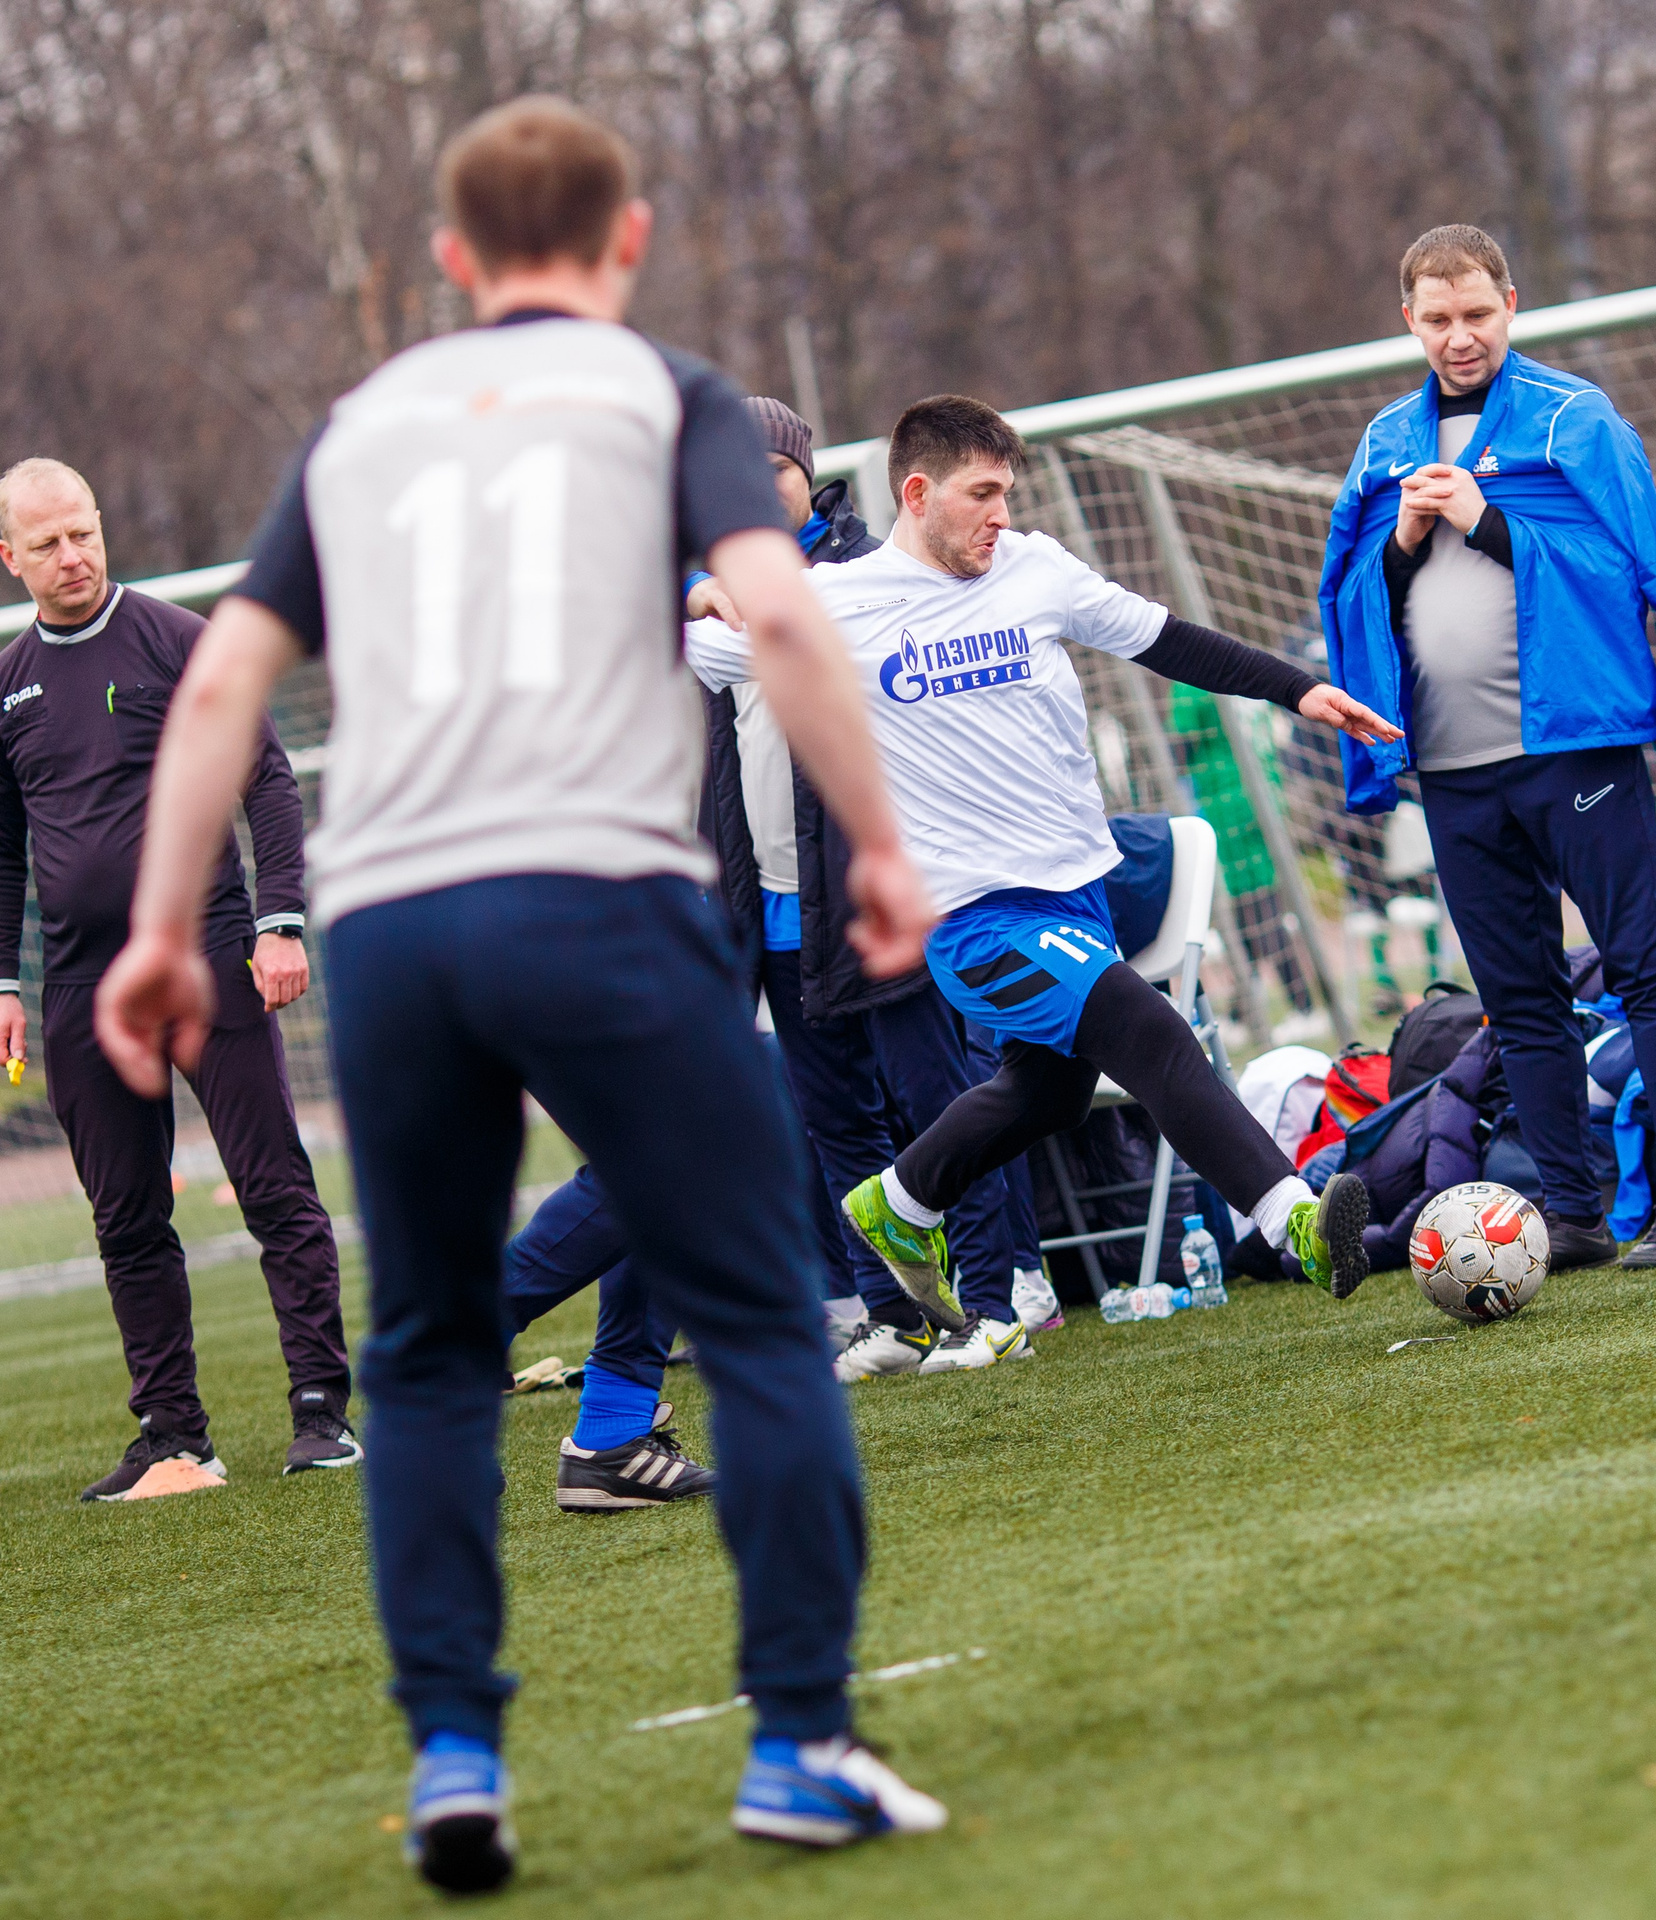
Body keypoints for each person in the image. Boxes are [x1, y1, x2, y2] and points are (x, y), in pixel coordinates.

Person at [92, 97, 946, 1891]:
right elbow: (782, 622)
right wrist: (874, 840)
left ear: (450, 261)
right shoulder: (672, 399)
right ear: (627, 243)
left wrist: (165, 924)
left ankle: (456, 1767)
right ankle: (799, 1745)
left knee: (423, 1357)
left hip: (393, 925)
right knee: (765, 1315)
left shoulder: (363, 422)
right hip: (608, 896)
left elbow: (231, 677)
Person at [735, 393, 1395, 1307]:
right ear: (917, 494)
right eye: (983, 493)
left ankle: (898, 1201)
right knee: (1153, 1032)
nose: (1003, 513)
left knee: (1048, 1094)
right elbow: (698, 648)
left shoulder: (1035, 568)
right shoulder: (834, 602)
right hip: (976, 918)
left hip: (1076, 892)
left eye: (1009, 491)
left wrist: (1299, 691)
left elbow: (1166, 639)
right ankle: (1296, 1222)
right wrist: (696, 593)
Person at [1316, 224, 1656, 1271]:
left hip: (1578, 751)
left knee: (1645, 968)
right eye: (1439, 319)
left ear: (1512, 305)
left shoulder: (1573, 419)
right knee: (1519, 1000)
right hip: (1454, 773)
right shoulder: (1380, 446)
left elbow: (1638, 569)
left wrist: (1491, 520)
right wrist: (1404, 545)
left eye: (1478, 315)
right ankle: (1572, 1212)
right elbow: (1348, 598)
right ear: (1406, 319)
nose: (1461, 338)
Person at [0, 457, 353, 1502]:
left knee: (273, 1186)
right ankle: (171, 1436)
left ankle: (321, 1413)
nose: (73, 556)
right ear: (8, 557)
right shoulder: (10, 685)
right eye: (48, 542)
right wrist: (3, 986)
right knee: (124, 1220)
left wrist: (280, 922)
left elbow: (270, 780)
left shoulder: (179, 643)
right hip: (78, 986)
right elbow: (2, 852)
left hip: (207, 951)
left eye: (85, 532)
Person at [685, 398, 1049, 1375]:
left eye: (769, 469)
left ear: (807, 473)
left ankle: (992, 1298)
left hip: (873, 896)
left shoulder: (865, 572)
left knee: (936, 1100)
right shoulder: (704, 588)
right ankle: (898, 1314)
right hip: (765, 904)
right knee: (834, 1118)